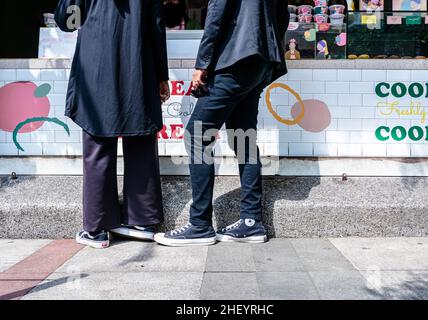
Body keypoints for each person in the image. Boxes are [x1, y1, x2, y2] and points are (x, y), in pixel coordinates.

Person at [155, 0, 289, 246]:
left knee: (196, 135)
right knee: (242, 137)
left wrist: (201, 64)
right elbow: (282, 16)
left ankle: (199, 225)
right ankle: (251, 222)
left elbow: (216, 14)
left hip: (235, 58)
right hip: (261, 60)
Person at [55, 0, 170, 249]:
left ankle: (97, 229)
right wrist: (162, 74)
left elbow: (66, 20)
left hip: (95, 67)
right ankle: (142, 221)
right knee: (140, 141)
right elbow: (156, 27)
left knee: (98, 145)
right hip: (139, 66)